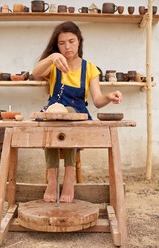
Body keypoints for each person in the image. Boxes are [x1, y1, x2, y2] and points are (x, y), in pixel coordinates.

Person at [32, 21, 122, 203]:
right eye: (62, 43)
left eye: (71, 41)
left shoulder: (90, 68)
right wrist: (52, 58)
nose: (67, 46)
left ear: (79, 41)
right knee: (54, 117)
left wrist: (109, 97)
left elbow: (97, 100)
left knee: (68, 118)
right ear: (57, 46)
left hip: (76, 114)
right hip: (54, 112)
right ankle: (52, 178)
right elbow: (35, 73)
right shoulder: (55, 63)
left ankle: (68, 178)